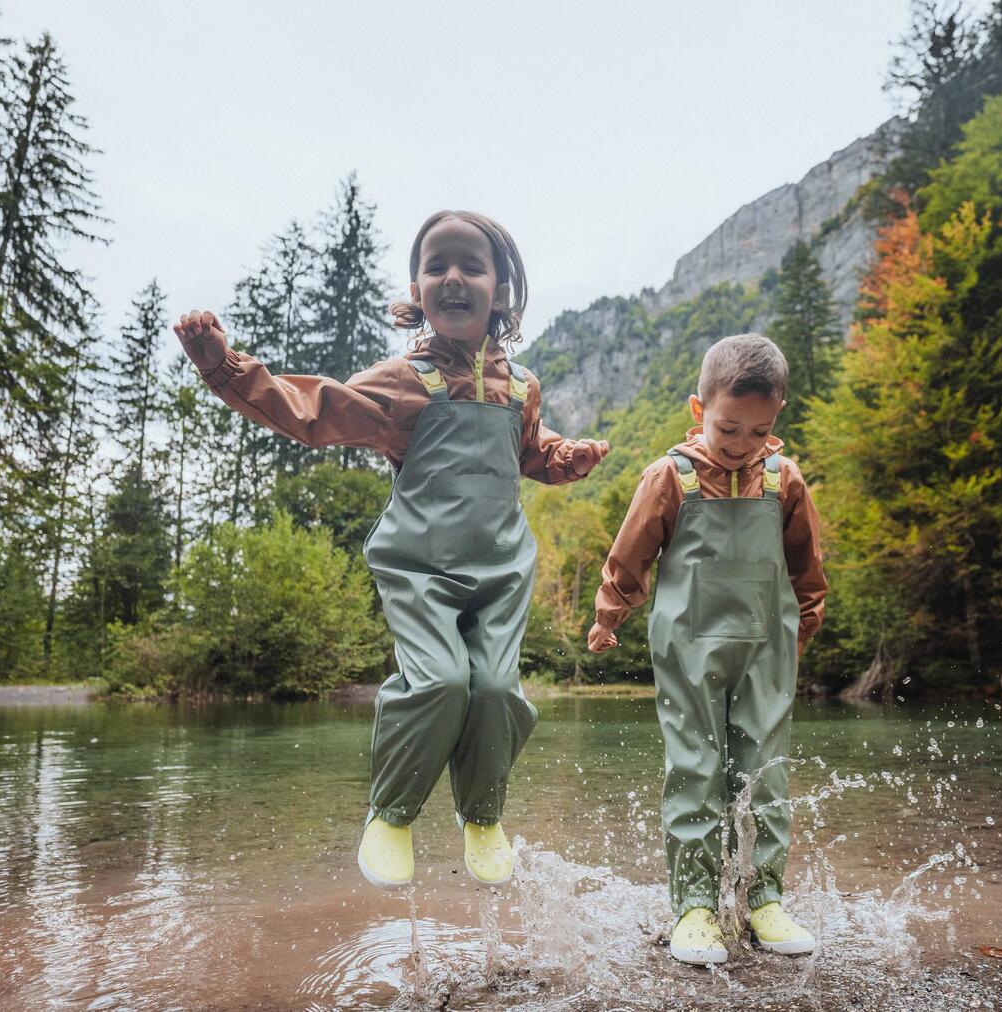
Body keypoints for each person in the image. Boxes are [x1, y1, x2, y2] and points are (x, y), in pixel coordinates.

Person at [175, 210, 609, 889]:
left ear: (501, 289)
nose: (454, 277)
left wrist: (566, 458)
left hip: (501, 568)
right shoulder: (404, 380)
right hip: (420, 567)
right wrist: (226, 369)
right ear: (418, 287)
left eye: (472, 265)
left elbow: (528, 449)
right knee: (439, 682)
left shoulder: (522, 386)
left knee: (494, 687)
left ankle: (484, 815)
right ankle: (393, 812)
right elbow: (309, 409)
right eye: (437, 266)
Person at [587, 333, 826, 964]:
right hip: (689, 645)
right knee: (696, 768)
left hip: (766, 646)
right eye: (729, 429)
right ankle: (694, 906)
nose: (744, 444)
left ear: (775, 420)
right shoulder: (672, 477)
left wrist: (807, 621)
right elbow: (630, 555)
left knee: (765, 770)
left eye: (759, 430)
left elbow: (806, 566)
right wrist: (609, 614)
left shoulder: (784, 480)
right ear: (700, 411)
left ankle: (764, 899)